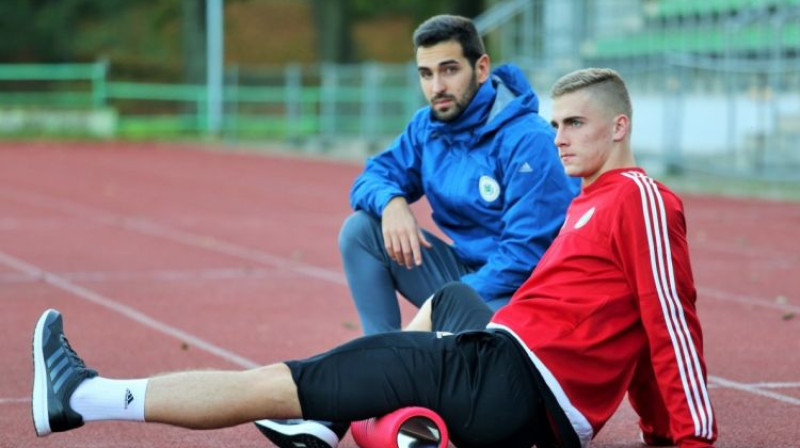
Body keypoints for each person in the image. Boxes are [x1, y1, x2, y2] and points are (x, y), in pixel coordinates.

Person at [31, 68, 717, 448]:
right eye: (555, 123)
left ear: (619, 126)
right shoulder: (589, 199)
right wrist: (653, 434)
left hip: (512, 387)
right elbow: (625, 324)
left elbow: (670, 322)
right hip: (506, 364)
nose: (559, 138)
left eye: (576, 124)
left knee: (284, 379)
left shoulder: (640, 200)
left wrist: (684, 440)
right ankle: (379, 421)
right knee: (449, 303)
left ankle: (85, 398)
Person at [339, 14, 578, 336]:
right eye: (426, 74)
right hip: (466, 274)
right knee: (362, 231)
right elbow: (374, 176)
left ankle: (416, 359)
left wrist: (443, 303)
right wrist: (392, 202)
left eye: (449, 70)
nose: (436, 87)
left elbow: (525, 254)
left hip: (525, 293)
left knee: (473, 352)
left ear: (481, 69)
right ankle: (382, 354)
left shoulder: (528, 139)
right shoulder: (427, 126)